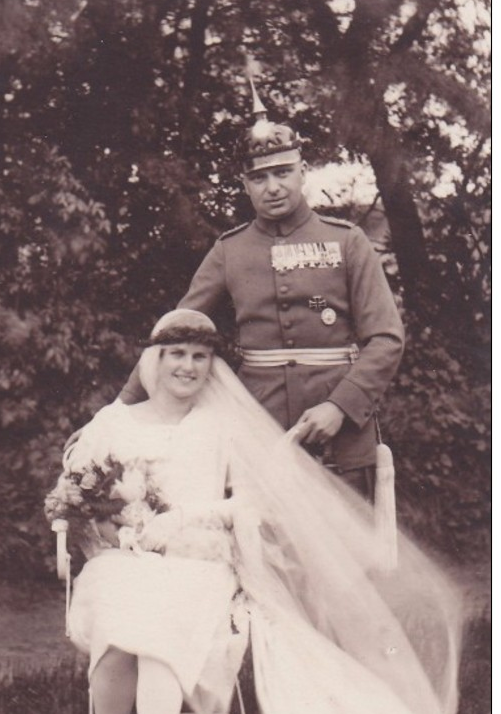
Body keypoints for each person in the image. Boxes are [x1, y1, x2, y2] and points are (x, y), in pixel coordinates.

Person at [46, 309, 461, 714]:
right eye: (176, 355)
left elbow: (255, 500)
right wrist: (118, 527)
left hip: (202, 564)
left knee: (152, 627)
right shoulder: (113, 424)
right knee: (126, 608)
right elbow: (77, 498)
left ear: (210, 365)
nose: (187, 367)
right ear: (155, 361)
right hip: (123, 563)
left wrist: (192, 517)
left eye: (199, 357)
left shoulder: (220, 427)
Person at [119, 82, 405, 499]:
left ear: (302, 172)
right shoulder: (230, 250)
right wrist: (119, 412)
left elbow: (386, 339)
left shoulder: (347, 241)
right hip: (257, 427)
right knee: (263, 556)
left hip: (339, 430)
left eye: (283, 172)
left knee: (347, 557)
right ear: (245, 184)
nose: (273, 187)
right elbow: (173, 334)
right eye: (259, 177)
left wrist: (340, 405)